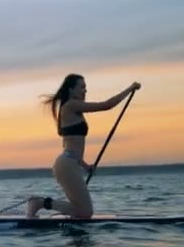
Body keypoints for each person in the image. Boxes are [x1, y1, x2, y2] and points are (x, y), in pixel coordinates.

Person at [26, 74, 141, 218]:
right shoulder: (71, 105)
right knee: (85, 212)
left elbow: (71, 145)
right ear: (70, 90)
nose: (85, 91)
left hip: (70, 163)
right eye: (82, 87)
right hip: (67, 165)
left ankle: (69, 232)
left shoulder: (72, 110)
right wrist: (130, 88)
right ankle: (39, 203)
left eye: (85, 87)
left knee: (80, 211)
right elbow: (106, 105)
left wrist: (85, 166)